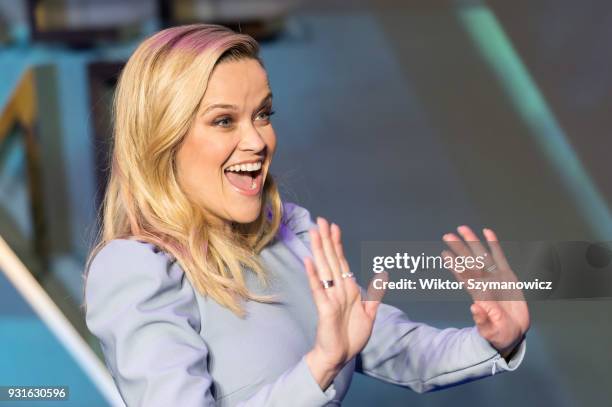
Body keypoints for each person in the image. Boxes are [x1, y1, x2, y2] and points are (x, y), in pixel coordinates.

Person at [84, 24, 529, 406]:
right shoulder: (138, 268)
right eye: (224, 121)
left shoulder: (290, 233)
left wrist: (495, 340)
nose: (258, 141)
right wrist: (321, 365)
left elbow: (392, 345)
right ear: (163, 138)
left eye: (263, 114)